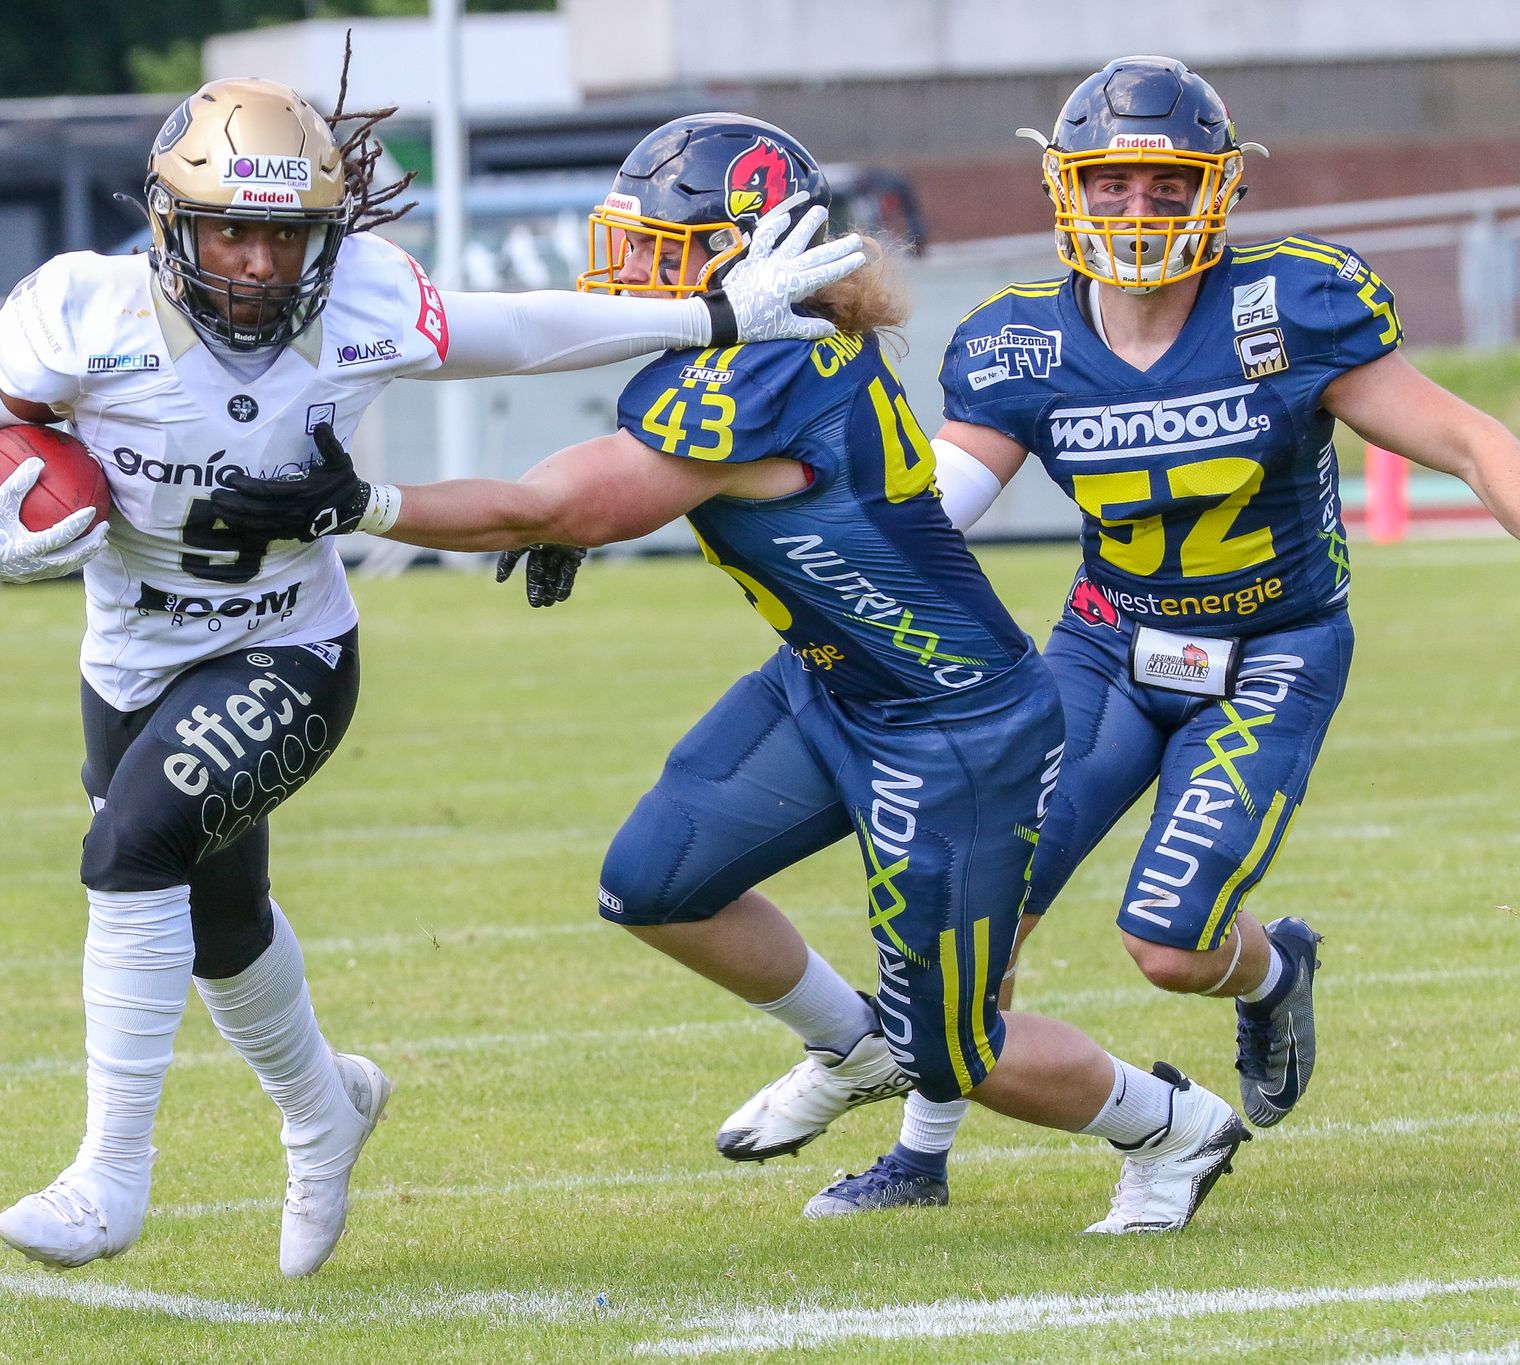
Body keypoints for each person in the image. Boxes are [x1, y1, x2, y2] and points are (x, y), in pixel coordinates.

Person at [210, 112, 1254, 1234]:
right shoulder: (742, 345)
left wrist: (367, 504)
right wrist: (537, 513)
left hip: (949, 725)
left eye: (669, 249)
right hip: (829, 681)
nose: (641, 270)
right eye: (639, 241)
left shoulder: (767, 361)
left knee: (953, 1051)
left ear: (754, 249)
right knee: (654, 883)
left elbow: (571, 499)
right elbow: (594, 478)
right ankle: (844, 1046)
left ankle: (1172, 1128)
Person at [0, 76, 865, 1276]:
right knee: (219, 923)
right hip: (130, 657)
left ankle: (109, 1176)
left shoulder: (362, 301)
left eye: (283, 235)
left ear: (326, 237)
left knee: (128, 852)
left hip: (288, 650)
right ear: (168, 224)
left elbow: (520, 331)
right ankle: (325, 1108)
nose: (254, 263)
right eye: (228, 231)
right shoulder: (78, 311)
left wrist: (710, 323)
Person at [764, 55, 1520, 1216]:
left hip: (1269, 653)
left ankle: (1271, 972)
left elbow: (1472, 442)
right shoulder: (1017, 341)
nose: (1135, 209)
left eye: (1164, 186)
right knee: (979, 912)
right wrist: (778, 518)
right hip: (1105, 648)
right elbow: (932, 514)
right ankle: (919, 1159)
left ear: (1214, 191)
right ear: (1067, 188)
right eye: (1110, 184)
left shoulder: (1290, 306)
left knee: (1165, 945)